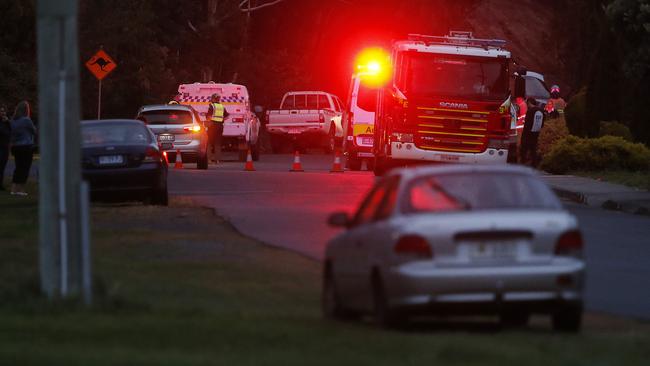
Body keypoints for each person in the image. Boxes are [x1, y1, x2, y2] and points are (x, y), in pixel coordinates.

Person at [9, 101, 36, 196]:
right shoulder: (26, 120)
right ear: (26, 109)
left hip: (16, 147)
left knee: (18, 168)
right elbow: (34, 131)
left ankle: (13, 189)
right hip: (26, 147)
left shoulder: (12, 121)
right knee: (25, 168)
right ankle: (21, 190)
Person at [519, 97, 545, 167]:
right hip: (536, 134)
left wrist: (523, 136)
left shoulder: (530, 111)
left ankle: (522, 165)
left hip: (528, 134)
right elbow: (542, 123)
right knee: (533, 150)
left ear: (529, 103)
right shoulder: (541, 111)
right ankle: (534, 165)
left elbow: (527, 124)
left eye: (527, 103)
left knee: (524, 150)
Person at [206, 94, 228, 163]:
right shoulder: (222, 106)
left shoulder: (212, 106)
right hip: (220, 126)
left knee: (209, 142)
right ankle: (217, 160)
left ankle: (209, 159)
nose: (211, 99)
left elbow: (209, 116)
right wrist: (221, 120)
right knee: (217, 143)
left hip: (212, 125)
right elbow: (227, 116)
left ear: (214, 99)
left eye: (212, 98)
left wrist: (208, 122)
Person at [0, 106, 11, 190]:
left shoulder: (7, 122)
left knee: (2, 167)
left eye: (4, 111)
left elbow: (12, 131)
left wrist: (8, 122)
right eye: (1, 111)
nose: (3, 113)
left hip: (5, 147)